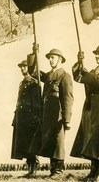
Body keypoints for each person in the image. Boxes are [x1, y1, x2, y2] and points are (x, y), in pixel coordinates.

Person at [71, 44, 99, 182]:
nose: (97, 56)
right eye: (96, 54)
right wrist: (78, 63)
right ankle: (92, 173)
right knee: (91, 140)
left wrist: (87, 74)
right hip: (91, 107)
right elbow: (78, 78)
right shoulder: (92, 71)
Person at [32, 46, 74, 178]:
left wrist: (67, 119)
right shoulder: (49, 76)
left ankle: (58, 171)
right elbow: (32, 71)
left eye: (53, 58)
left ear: (60, 59)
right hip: (47, 114)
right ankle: (53, 171)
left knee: (58, 142)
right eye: (49, 58)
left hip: (58, 114)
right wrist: (34, 53)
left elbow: (68, 98)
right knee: (50, 142)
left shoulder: (64, 76)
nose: (50, 60)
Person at [11, 59, 42, 178]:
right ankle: (29, 170)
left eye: (24, 67)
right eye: (21, 67)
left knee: (32, 145)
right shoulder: (22, 83)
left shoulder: (34, 83)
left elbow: (36, 102)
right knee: (24, 144)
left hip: (30, 119)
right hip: (21, 118)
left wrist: (35, 118)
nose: (22, 69)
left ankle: (33, 170)